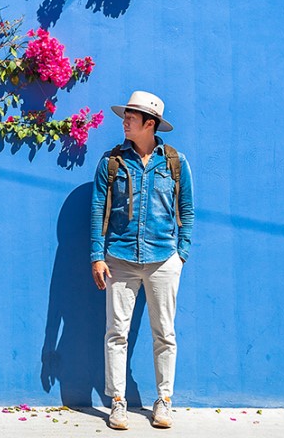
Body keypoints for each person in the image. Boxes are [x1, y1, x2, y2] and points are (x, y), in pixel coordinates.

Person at [89, 91, 194, 430]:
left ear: (150, 124)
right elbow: (96, 211)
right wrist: (96, 256)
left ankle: (164, 401)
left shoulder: (174, 162)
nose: (125, 120)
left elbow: (187, 210)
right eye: (126, 115)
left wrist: (182, 253)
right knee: (116, 333)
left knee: (164, 333)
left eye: (132, 116)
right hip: (119, 258)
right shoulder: (111, 162)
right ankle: (117, 403)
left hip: (164, 259)